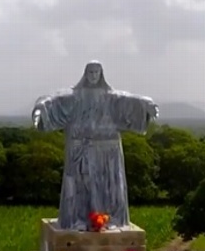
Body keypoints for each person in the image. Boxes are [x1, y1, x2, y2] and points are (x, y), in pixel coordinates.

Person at [32, 61, 159, 231]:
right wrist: (41, 107)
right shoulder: (76, 95)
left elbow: (127, 99)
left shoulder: (109, 96)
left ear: (101, 74)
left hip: (108, 148)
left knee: (109, 186)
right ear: (85, 73)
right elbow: (55, 99)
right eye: (90, 72)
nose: (93, 76)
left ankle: (109, 220)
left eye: (96, 72)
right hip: (80, 148)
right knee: (79, 185)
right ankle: (77, 220)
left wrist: (147, 104)